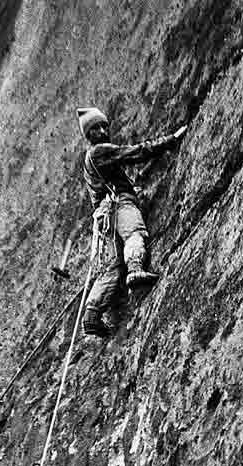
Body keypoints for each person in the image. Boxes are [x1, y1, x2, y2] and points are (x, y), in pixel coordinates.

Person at [77, 107, 187, 337]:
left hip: (102, 216)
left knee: (111, 267)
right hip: (119, 204)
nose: (102, 131)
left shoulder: (88, 161)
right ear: (88, 134)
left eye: (104, 126)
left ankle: (92, 314)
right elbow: (137, 152)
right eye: (95, 128)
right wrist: (171, 140)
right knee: (134, 234)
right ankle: (136, 269)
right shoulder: (100, 151)